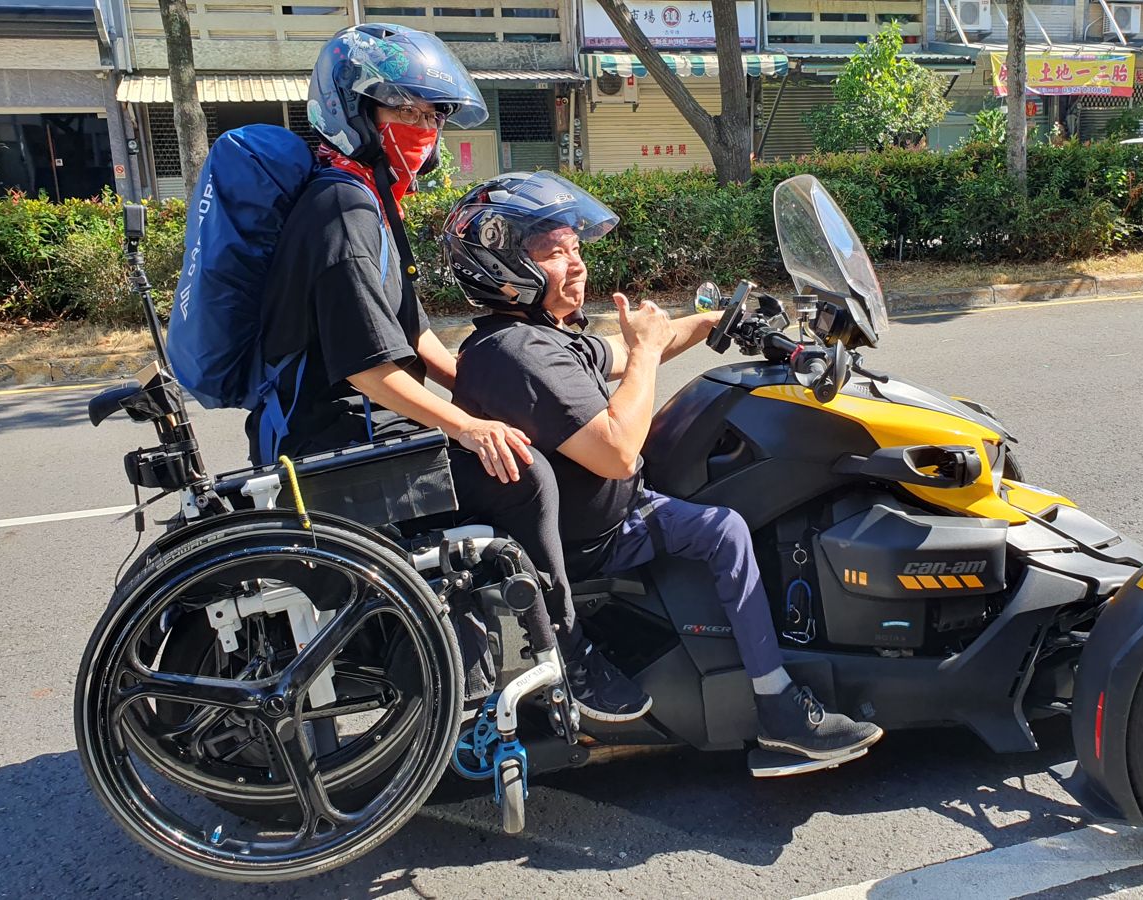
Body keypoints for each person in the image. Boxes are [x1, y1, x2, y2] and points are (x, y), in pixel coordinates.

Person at [251, 23, 650, 723]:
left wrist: (480, 380)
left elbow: (409, 334)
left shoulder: (368, 197)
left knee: (501, 442)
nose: (425, 129)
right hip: (327, 439)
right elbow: (372, 370)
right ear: (356, 112)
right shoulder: (342, 209)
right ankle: (564, 651)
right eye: (407, 112)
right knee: (522, 474)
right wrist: (469, 425)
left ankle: (480, 644)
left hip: (355, 419)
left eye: (432, 115)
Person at [442, 172, 884, 761]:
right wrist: (648, 351)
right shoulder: (516, 354)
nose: (576, 265)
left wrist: (713, 325)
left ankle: (769, 689)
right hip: (592, 540)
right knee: (726, 511)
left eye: (577, 249)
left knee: (725, 523)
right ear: (501, 266)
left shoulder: (540, 335)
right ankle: (773, 699)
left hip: (618, 508)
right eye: (554, 253)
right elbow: (618, 449)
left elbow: (623, 353)